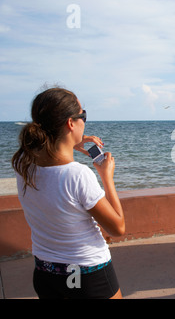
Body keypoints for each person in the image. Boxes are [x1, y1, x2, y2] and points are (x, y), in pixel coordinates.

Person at [12, 87, 125, 298]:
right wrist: (106, 176)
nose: (84, 121)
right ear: (70, 123)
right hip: (88, 275)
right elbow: (117, 227)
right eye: (83, 116)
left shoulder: (23, 165)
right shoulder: (77, 175)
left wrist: (71, 142)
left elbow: (48, 157)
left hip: (46, 273)